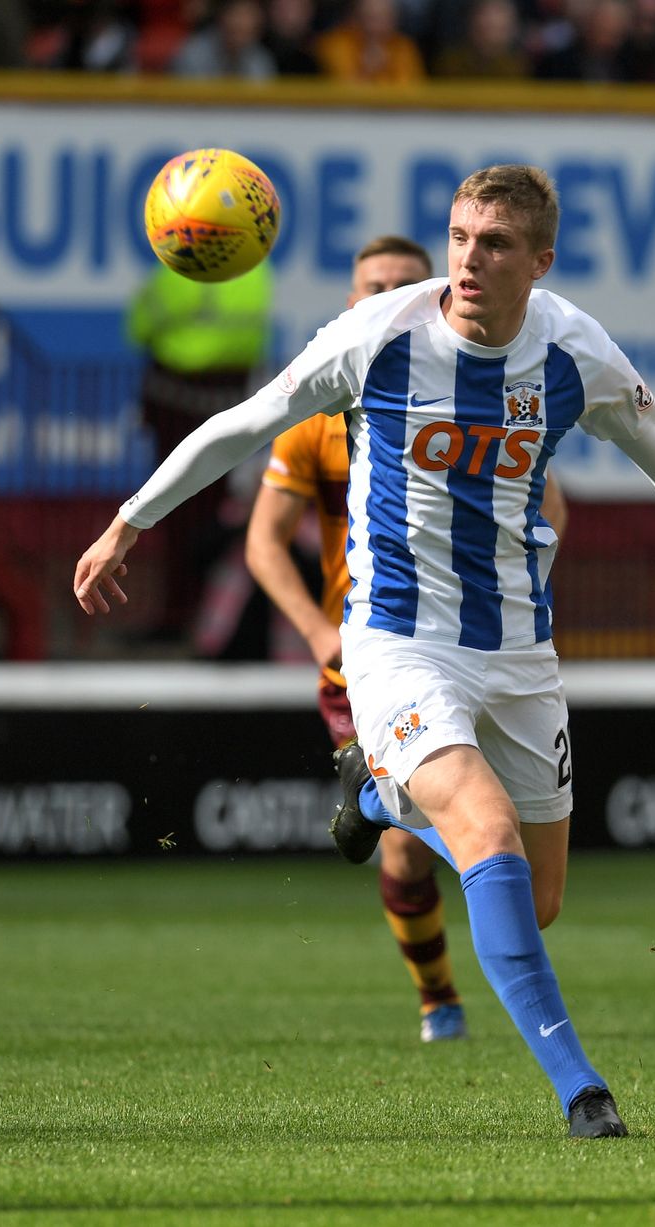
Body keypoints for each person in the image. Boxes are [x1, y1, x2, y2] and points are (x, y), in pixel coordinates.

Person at [74, 164, 655, 1139]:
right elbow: (242, 424)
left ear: (540, 261)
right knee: (482, 837)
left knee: (539, 899)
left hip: (520, 652)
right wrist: (126, 523)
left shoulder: (573, 351)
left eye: (493, 244)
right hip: (399, 645)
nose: (468, 260)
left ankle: (373, 793)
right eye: (458, 237)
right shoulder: (378, 336)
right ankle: (582, 1093)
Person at [244, 233, 566, 1045]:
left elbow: (548, 503)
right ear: (352, 300)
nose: (383, 293)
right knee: (418, 851)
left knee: (516, 874)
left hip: (481, 646)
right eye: (369, 283)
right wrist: (321, 631)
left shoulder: (475, 384)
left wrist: (518, 590)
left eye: (399, 280)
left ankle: (372, 799)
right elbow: (262, 541)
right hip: (376, 649)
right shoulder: (320, 417)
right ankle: (439, 1003)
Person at [125, 255, 274, 641]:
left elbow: (139, 326)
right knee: (217, 514)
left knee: (173, 513)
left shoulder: (181, 269)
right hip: (232, 398)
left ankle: (180, 614)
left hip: (178, 401)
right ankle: (210, 615)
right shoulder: (254, 269)